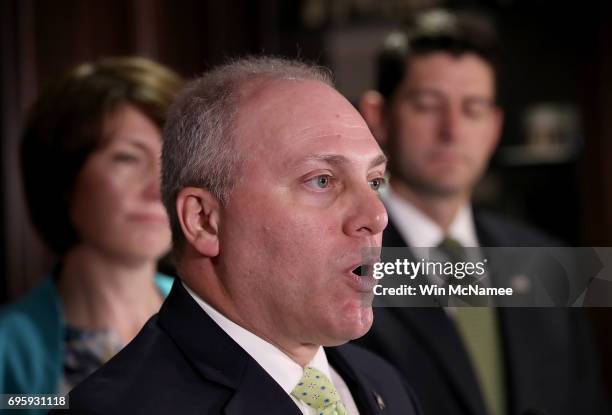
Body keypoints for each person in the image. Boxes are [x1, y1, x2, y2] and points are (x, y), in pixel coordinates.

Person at [59, 56, 422, 415]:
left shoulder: (385, 383)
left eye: (375, 182)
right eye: (321, 181)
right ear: (204, 221)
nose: (377, 216)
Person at [354, 8, 610, 415]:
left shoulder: (551, 263)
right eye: (426, 105)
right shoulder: (344, 265)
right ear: (379, 116)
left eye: (472, 109)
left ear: (493, 127)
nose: (452, 131)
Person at [0, 57, 183, 400]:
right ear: (63, 177)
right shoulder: (7, 351)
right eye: (127, 158)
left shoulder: (222, 321)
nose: (158, 188)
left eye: (172, 162)